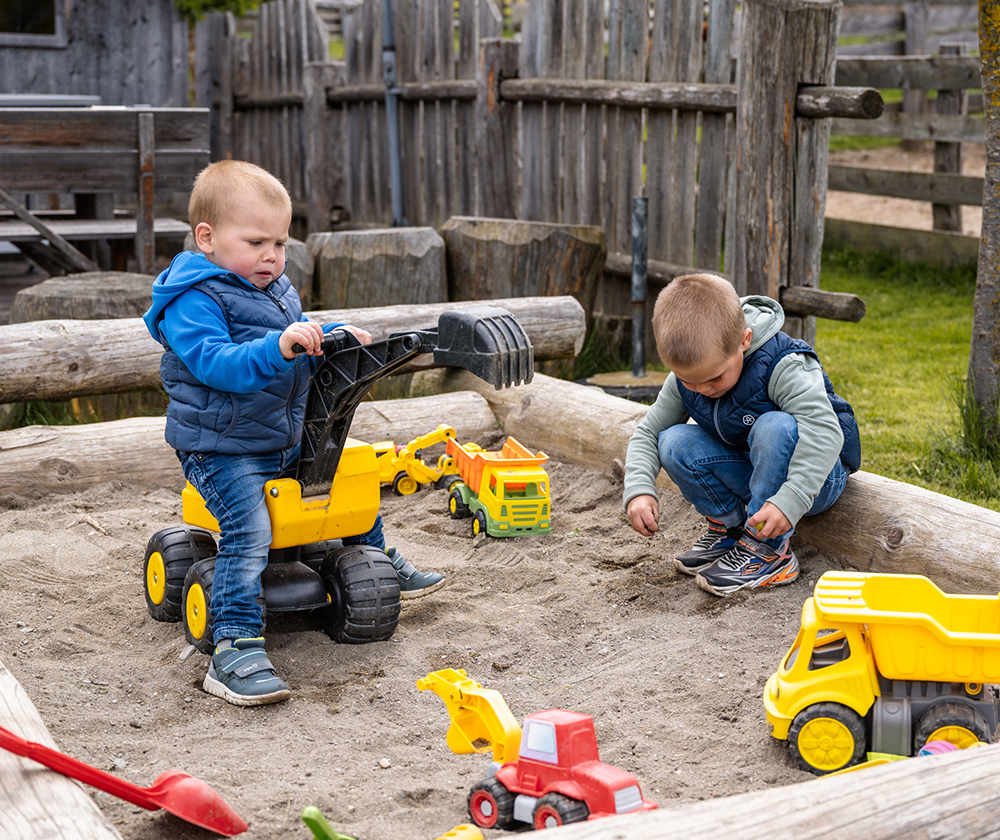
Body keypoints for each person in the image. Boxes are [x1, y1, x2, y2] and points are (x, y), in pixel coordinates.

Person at [142, 160, 444, 706]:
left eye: (280, 243)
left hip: (278, 438)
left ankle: (375, 557)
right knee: (249, 529)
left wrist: (327, 334)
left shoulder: (271, 286)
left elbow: (286, 336)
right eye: (256, 241)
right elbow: (218, 364)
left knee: (347, 472)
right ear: (207, 239)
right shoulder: (193, 301)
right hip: (221, 450)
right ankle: (233, 645)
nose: (272, 256)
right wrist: (280, 347)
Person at [623, 273, 860, 597]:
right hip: (754, 467)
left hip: (817, 476)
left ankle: (770, 550)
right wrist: (638, 489)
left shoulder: (783, 364)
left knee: (773, 425)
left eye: (715, 378)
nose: (702, 390)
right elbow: (649, 431)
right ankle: (732, 529)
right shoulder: (692, 374)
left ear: (744, 340)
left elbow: (824, 432)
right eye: (690, 382)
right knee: (673, 441)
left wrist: (790, 500)